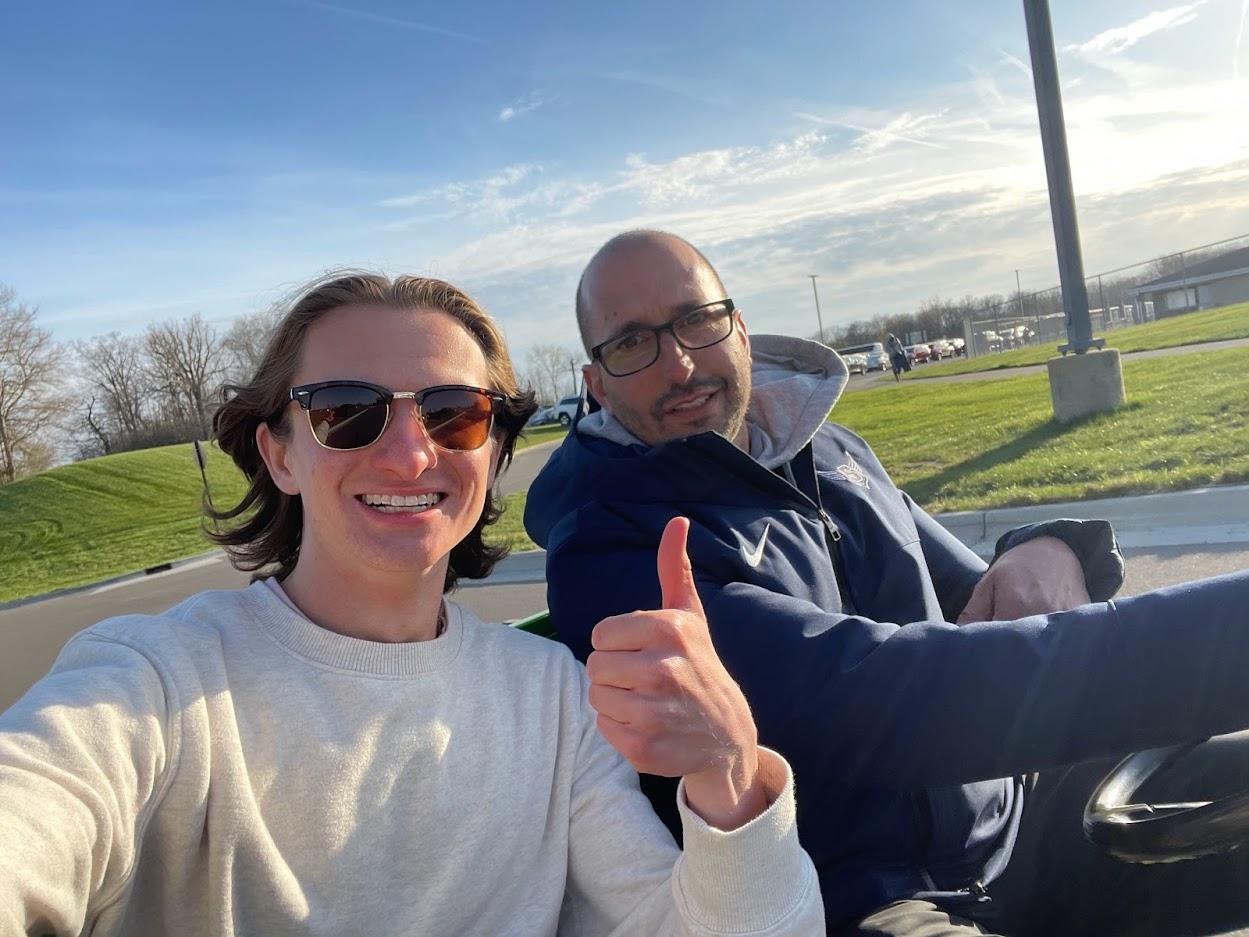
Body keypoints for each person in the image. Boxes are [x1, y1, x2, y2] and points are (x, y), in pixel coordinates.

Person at [0, 273, 824, 936]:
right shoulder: (154, 680)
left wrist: (728, 772)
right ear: (279, 454)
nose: (407, 452)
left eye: (453, 413)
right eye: (345, 411)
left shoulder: (553, 697)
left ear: (492, 452)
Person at [523, 230, 1249, 936]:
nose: (679, 363)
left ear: (738, 329)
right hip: (860, 898)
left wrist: (1045, 544)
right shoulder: (608, 547)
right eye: (631, 343)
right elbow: (877, 698)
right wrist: (1225, 640)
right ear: (597, 385)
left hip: (1018, 811)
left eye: (696, 319)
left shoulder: (831, 452)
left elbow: (977, 598)